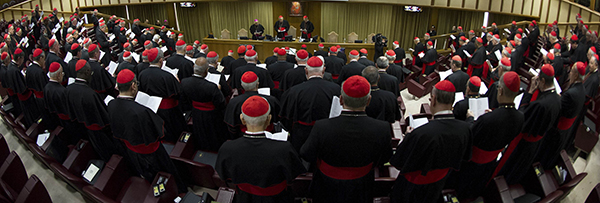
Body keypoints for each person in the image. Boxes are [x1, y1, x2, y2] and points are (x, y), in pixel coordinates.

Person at [300, 75, 392, 203]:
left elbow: (306, 153)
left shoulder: (322, 126)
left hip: (327, 184)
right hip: (361, 184)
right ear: (368, 100)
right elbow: (385, 157)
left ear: (341, 100)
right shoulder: (382, 128)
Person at [389, 80, 472, 203]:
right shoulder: (466, 128)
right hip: (439, 183)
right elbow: (465, 157)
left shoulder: (420, 133)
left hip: (413, 188)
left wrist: (407, 137)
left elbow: (398, 162)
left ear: (433, 99)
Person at [445, 71, 524, 199]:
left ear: (501, 91)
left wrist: (470, 119)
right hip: (490, 163)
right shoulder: (520, 117)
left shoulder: (488, 119)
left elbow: (470, 135)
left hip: (471, 164)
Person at [108, 69, 186, 193]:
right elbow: (160, 131)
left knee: (150, 178)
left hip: (132, 152)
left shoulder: (111, 104)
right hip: (152, 154)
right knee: (166, 175)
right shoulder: (141, 111)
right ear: (133, 86)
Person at [216, 95, 306, 203]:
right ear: (269, 119)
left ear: (242, 119)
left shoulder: (227, 148)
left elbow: (224, 175)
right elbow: (294, 174)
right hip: (277, 199)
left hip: (244, 198)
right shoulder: (284, 148)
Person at [491, 64, 561, 185]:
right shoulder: (557, 98)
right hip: (536, 143)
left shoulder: (540, 105)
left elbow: (522, 117)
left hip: (523, 143)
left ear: (543, 81)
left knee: (509, 167)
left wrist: (529, 92)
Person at [280, 56, 340, 151]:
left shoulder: (294, 91)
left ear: (306, 71)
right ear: (323, 70)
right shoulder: (336, 89)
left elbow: (286, 118)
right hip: (328, 136)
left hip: (301, 137)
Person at [66, 60, 123, 161]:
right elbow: (103, 116)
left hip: (85, 129)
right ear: (87, 72)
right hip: (100, 132)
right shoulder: (90, 94)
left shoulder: (69, 89)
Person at [536, 62, 586, 169]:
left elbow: (559, 108)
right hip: (565, 132)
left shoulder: (571, 94)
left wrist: (557, 97)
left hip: (556, 131)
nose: (569, 73)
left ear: (576, 75)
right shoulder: (582, 89)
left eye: (572, 71)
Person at [138, 48, 186, 142]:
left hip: (152, 109)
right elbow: (178, 93)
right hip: (168, 111)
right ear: (160, 60)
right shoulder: (167, 76)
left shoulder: (142, 74)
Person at [180, 57, 227, 152]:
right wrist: (218, 90)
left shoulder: (184, 82)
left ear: (194, 67)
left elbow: (184, 100)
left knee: (201, 133)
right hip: (212, 115)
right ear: (206, 70)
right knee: (214, 134)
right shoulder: (212, 87)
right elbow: (222, 103)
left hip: (196, 113)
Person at [224, 71, 280, 139]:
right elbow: (278, 119)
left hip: (242, 137)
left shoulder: (234, 102)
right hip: (268, 136)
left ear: (242, 85)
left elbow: (231, 125)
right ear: (257, 84)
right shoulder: (272, 100)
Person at [5, 48, 40, 127]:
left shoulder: (10, 66)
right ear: (19, 58)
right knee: (33, 114)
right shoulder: (15, 70)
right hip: (26, 98)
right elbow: (23, 88)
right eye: (22, 59)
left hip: (20, 97)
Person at [27, 49, 51, 129]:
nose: (44, 61)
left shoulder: (29, 69)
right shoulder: (40, 72)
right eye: (43, 59)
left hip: (36, 99)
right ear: (40, 58)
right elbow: (45, 87)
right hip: (44, 99)